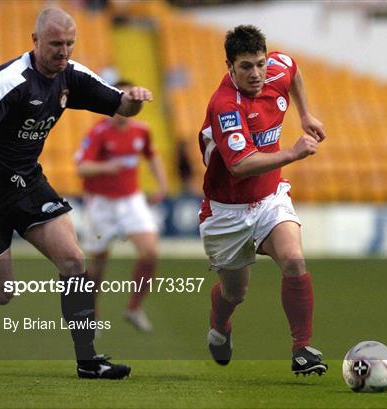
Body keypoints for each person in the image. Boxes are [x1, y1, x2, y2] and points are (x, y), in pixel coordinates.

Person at [0, 7, 153, 379]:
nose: (63, 51)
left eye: (69, 43)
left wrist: (136, 98)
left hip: (29, 183)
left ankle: (89, 360)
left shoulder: (72, 76)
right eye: (55, 44)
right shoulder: (9, 80)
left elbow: (121, 105)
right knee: (2, 295)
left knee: (73, 260)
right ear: (35, 41)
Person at [198, 25, 327, 375]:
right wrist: (293, 153)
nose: (256, 73)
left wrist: (305, 114)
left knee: (294, 260)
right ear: (230, 66)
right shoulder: (225, 105)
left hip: (269, 197)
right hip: (225, 211)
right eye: (245, 67)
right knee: (234, 294)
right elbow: (240, 165)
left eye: (259, 63)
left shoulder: (277, 68)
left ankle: (302, 349)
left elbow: (293, 68)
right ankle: (220, 325)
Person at [76, 80, 168, 332]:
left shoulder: (142, 130)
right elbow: (82, 167)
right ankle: (90, 314)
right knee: (97, 264)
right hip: (101, 203)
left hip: (131, 200)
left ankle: (134, 308)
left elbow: (152, 155)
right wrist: (107, 167)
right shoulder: (98, 133)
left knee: (150, 252)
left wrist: (162, 184)